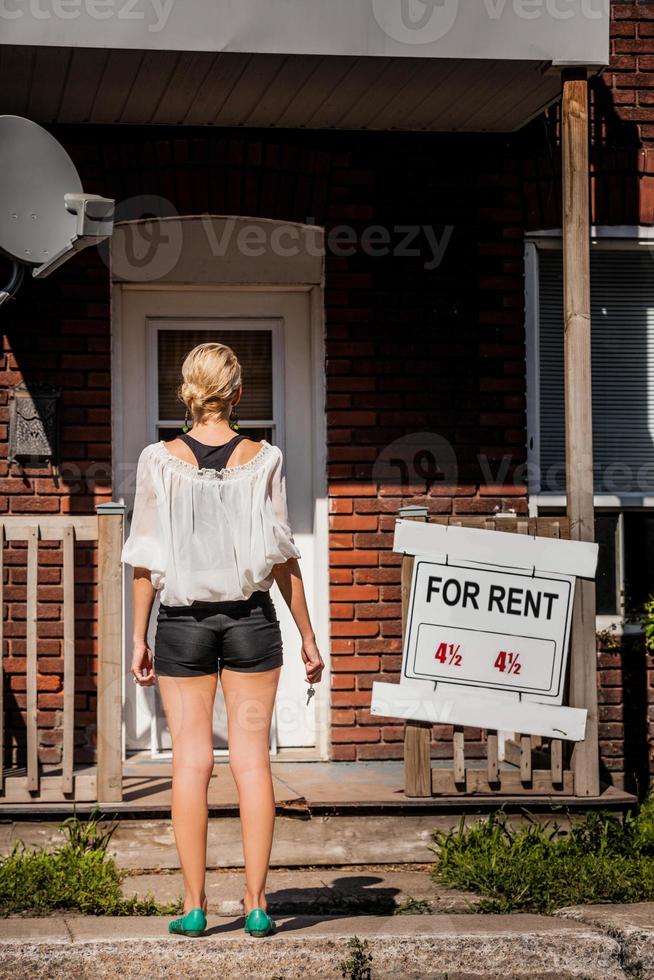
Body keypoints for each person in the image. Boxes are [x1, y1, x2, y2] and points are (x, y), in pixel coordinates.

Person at [121, 342, 324, 939]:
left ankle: (193, 906)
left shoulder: (157, 461)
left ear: (186, 391)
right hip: (252, 624)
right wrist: (308, 636)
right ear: (238, 394)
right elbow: (283, 556)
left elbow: (145, 560)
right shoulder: (266, 459)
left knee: (190, 761)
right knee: (252, 762)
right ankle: (258, 904)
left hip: (182, 626)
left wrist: (138, 636)